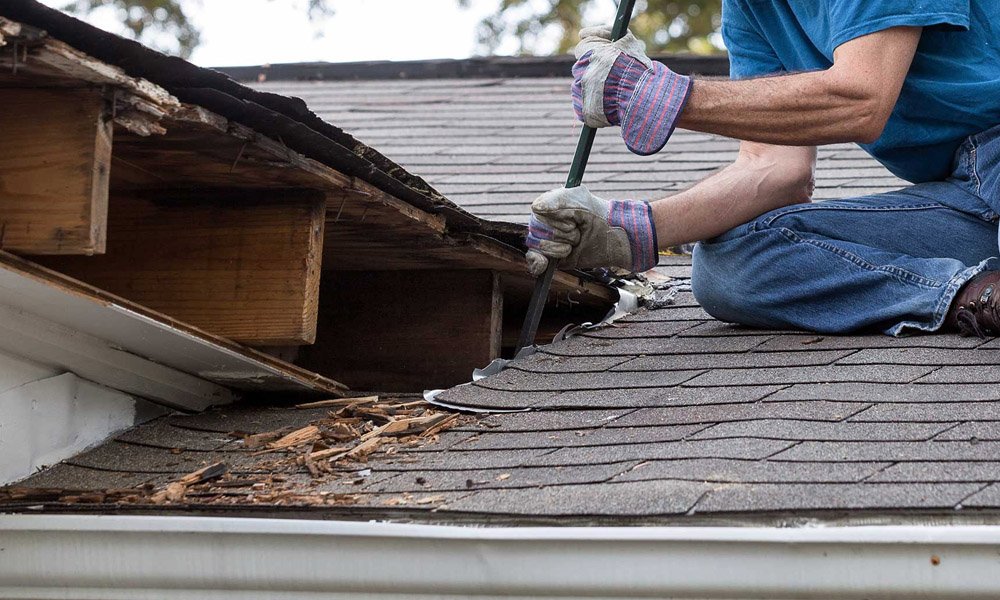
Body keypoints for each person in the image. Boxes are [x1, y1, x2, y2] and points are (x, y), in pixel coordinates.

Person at [525, 0, 1000, 337]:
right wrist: (625, 232)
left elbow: (863, 99)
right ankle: (974, 297)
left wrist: (668, 96)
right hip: (968, 194)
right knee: (729, 267)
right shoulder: (752, 9)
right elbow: (774, 171)